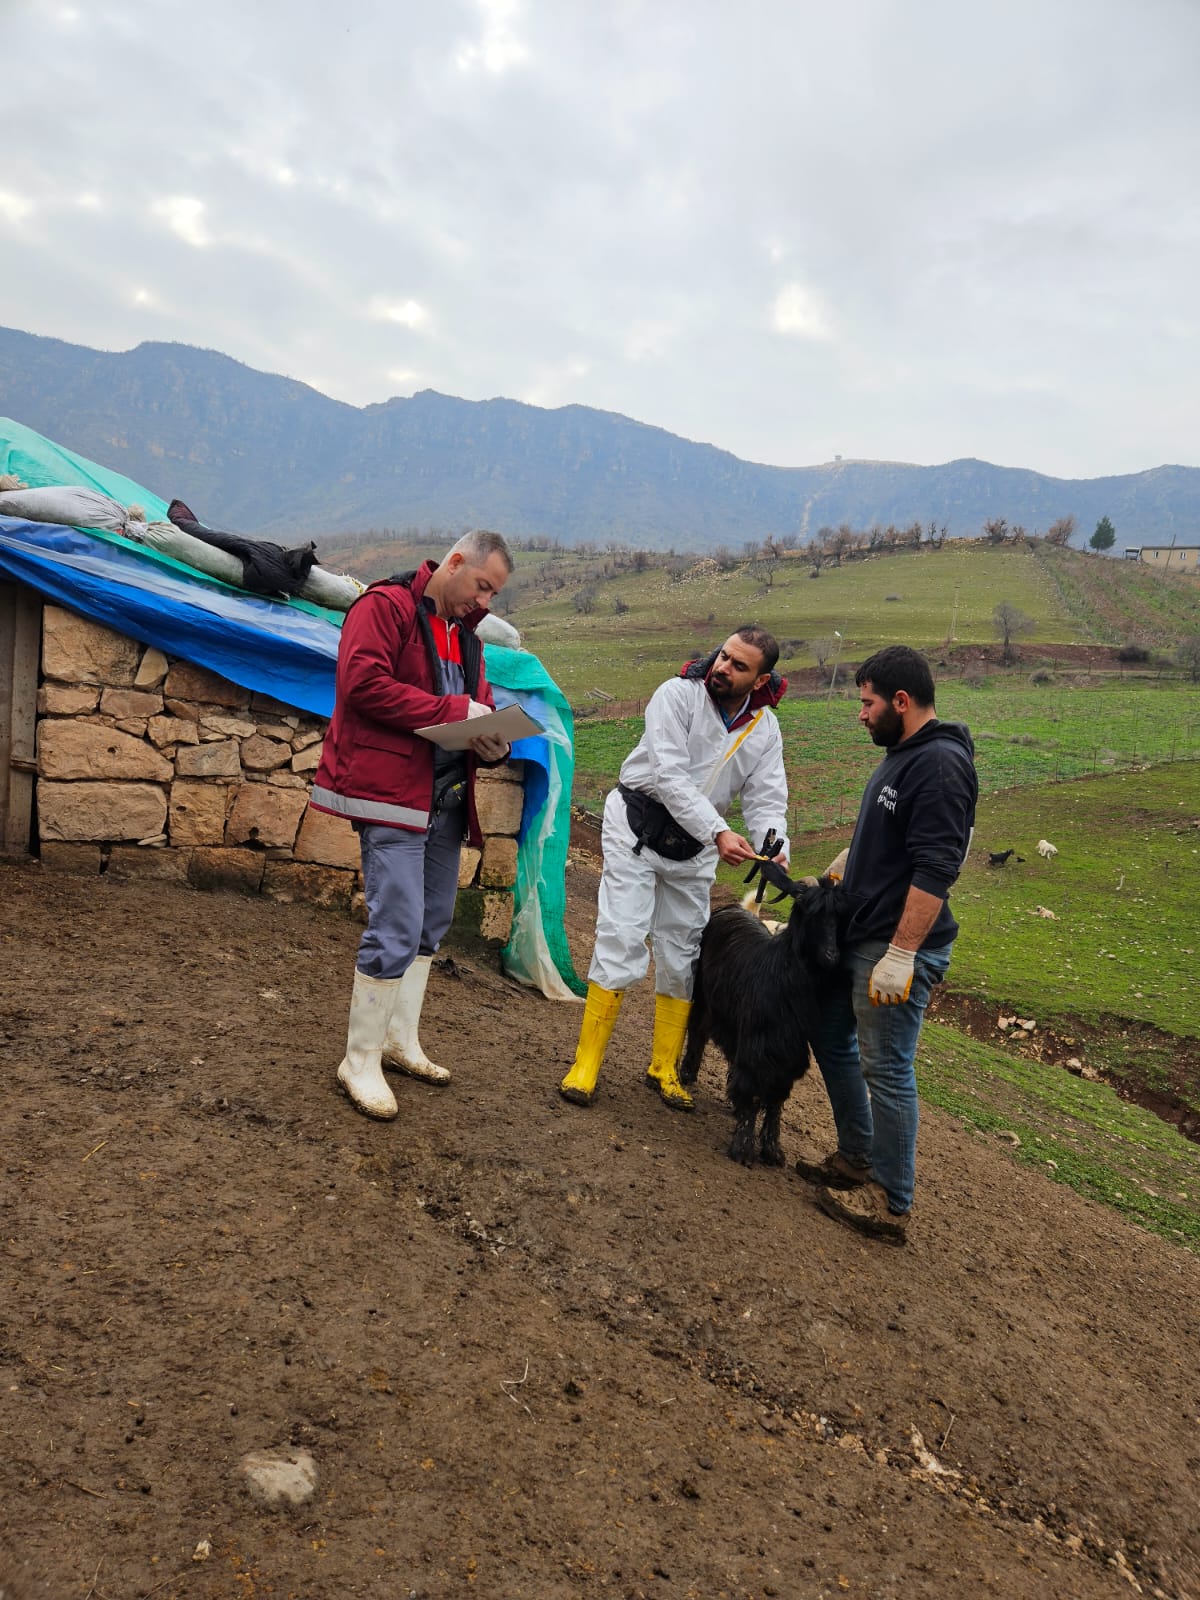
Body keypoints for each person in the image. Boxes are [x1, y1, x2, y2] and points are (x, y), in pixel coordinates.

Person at [310, 530, 514, 1120]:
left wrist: (492, 740)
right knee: (396, 922)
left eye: (494, 594)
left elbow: (474, 706)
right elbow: (363, 685)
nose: (485, 604)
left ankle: (399, 1043)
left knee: (432, 922)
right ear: (454, 562)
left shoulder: (467, 639)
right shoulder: (384, 607)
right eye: (482, 586)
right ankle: (360, 1059)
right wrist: (458, 713)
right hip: (392, 793)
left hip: (446, 796)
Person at [560, 626, 790, 1112]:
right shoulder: (677, 695)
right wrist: (719, 832)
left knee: (683, 951)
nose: (723, 668)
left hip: (696, 848)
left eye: (738, 665)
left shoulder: (764, 729)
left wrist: (775, 844)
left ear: (760, 678)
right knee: (622, 936)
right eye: (723, 656)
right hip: (638, 826)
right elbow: (667, 775)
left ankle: (663, 1067)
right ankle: (587, 1062)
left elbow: (766, 797)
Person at [795, 645, 977, 1244]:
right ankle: (856, 1156)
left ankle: (891, 1201)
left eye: (867, 703)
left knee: (888, 1069)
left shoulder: (941, 766)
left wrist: (902, 955)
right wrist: (856, 859)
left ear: (901, 701)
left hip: (895, 945)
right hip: (863, 931)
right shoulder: (906, 755)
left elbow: (937, 868)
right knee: (827, 1032)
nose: (861, 714)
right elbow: (901, 840)